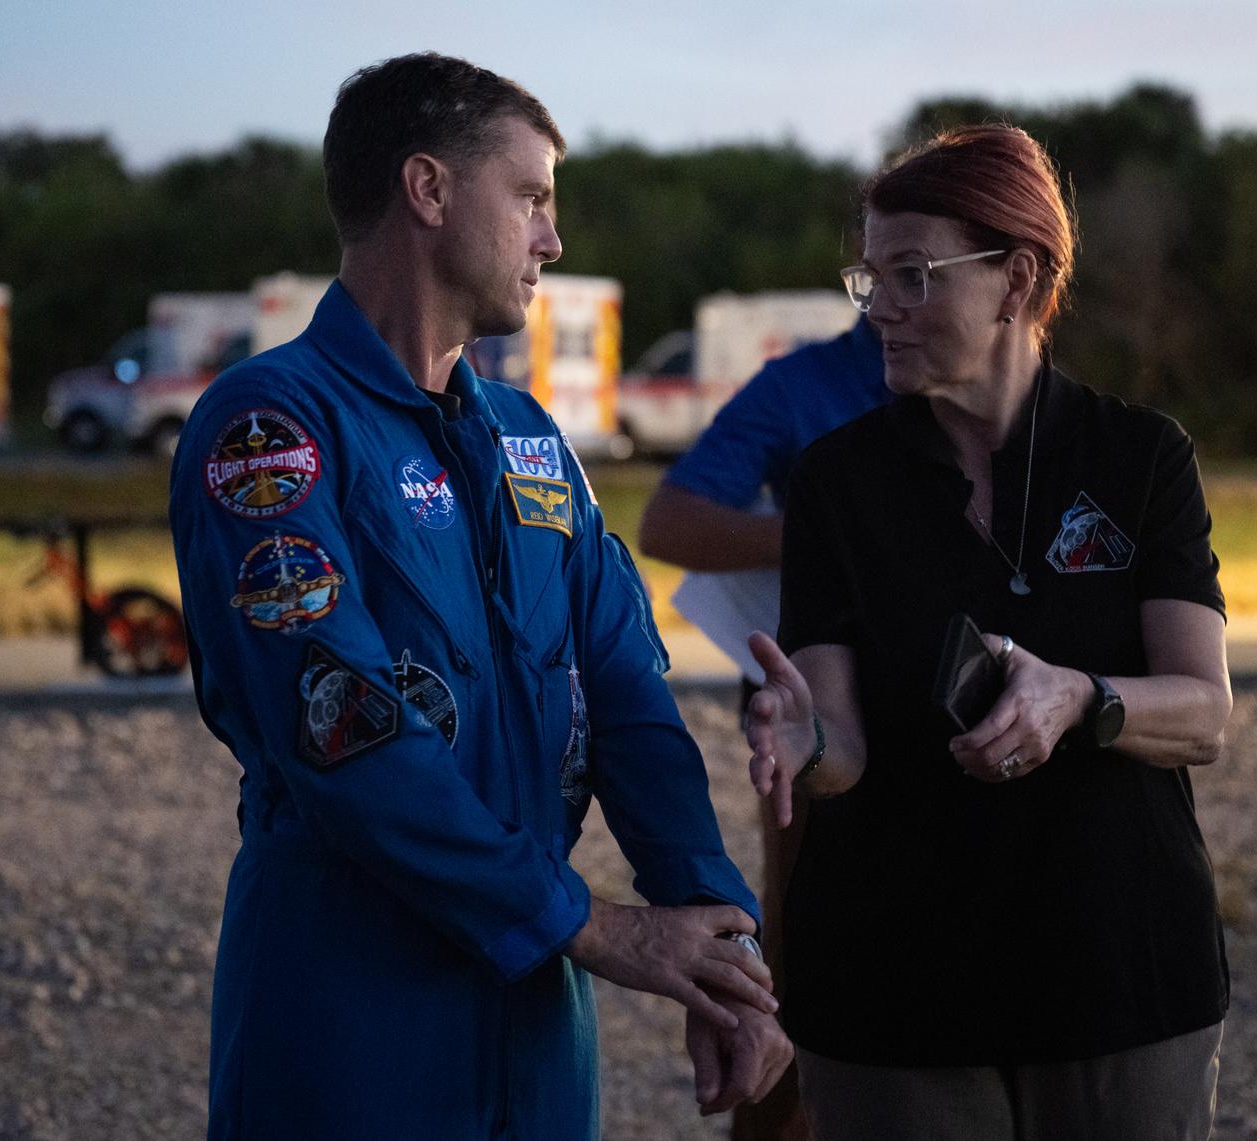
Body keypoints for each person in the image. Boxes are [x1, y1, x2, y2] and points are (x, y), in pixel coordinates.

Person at [168, 53, 792, 1140]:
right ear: (428, 188)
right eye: (534, 196)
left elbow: (629, 696)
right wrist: (597, 929)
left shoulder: (531, 439)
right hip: (351, 1006)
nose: (554, 238)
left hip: (536, 1019)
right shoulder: (271, 431)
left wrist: (719, 936)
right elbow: (348, 740)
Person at [744, 124, 1233, 1141]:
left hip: (1120, 980)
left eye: (913, 274)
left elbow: (1203, 712)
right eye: (868, 276)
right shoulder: (840, 482)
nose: (877, 308)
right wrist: (803, 741)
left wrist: (1077, 698)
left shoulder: (1140, 457)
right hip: (895, 998)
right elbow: (841, 740)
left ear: (1016, 279)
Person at [639, 314, 883, 1141]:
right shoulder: (805, 387)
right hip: (817, 738)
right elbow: (668, 521)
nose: (900, 289)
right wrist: (824, 534)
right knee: (806, 963)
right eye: (885, 266)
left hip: (970, 729)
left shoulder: (997, 388)